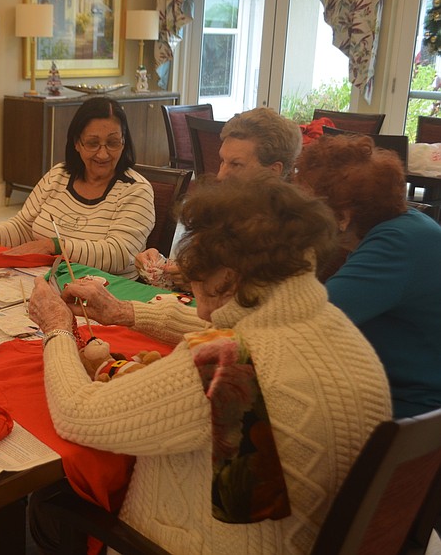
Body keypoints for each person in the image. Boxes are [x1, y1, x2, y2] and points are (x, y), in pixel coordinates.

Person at [27, 174, 391, 553]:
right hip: (305, 538)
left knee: (50, 501)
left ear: (225, 278)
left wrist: (56, 329)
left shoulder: (226, 365)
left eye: (192, 274)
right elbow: (233, 326)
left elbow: (77, 414)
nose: (186, 284)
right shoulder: (340, 333)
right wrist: (124, 312)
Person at [294, 134, 441, 418]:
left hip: (411, 418)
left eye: (306, 206)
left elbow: (307, 321)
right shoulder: (408, 226)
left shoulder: (395, 247)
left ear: (343, 216)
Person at [0, 96, 155, 279]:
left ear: (124, 142)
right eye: (93, 143)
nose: (103, 154)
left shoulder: (137, 190)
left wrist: (55, 246)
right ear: (77, 143)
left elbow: (120, 254)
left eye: (112, 143)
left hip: (106, 294)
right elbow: (24, 227)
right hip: (45, 281)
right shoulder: (59, 175)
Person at [136, 107, 302, 286]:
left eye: (236, 164)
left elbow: (260, 302)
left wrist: (201, 282)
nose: (221, 175)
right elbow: (192, 271)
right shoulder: (221, 213)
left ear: (273, 171)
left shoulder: (291, 233)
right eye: (222, 161)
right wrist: (158, 266)